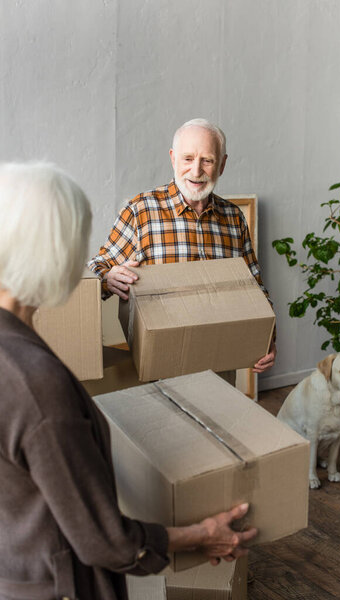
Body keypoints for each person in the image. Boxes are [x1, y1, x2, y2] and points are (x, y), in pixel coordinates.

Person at [0, 162, 257, 600]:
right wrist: (200, 535)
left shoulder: (233, 217)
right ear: (54, 252)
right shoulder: (37, 384)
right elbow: (106, 541)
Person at [88, 118, 276, 373]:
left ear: (222, 164)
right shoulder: (141, 210)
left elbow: (255, 286)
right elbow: (96, 267)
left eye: (207, 160)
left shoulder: (233, 217)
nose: (196, 171)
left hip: (220, 361)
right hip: (159, 363)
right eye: (188, 159)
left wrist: (268, 338)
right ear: (173, 158)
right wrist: (108, 278)